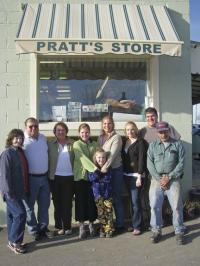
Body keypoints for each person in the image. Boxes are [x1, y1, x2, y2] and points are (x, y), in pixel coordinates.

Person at [147, 122, 185, 245]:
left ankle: (179, 230)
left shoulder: (177, 144)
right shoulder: (152, 146)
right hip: (156, 179)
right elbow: (150, 164)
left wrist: (169, 177)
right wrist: (159, 178)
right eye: (160, 132)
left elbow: (181, 163)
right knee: (154, 206)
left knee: (177, 207)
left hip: (173, 178)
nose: (163, 134)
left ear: (168, 130)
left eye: (165, 131)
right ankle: (156, 230)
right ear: (157, 132)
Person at [0, 129, 29, 254]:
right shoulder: (7, 153)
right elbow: (4, 174)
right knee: (21, 214)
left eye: (21, 138)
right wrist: (8, 192)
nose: (18, 140)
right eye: (16, 138)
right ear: (11, 139)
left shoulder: (19, 152)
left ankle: (11, 241)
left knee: (12, 216)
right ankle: (15, 242)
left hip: (18, 191)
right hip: (10, 192)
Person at [23, 117, 50, 240]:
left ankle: (43, 228)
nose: (33, 128)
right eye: (30, 126)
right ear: (26, 127)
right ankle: (34, 231)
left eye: (36, 126)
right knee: (29, 206)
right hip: (31, 179)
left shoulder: (43, 138)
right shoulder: (22, 140)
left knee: (44, 205)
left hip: (44, 178)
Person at [98, 115, 125, 233]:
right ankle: (109, 223)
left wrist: (102, 169)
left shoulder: (117, 137)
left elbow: (112, 156)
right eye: (104, 123)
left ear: (113, 124)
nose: (106, 126)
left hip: (115, 170)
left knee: (117, 197)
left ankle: (120, 224)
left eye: (109, 123)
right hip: (105, 171)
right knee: (107, 198)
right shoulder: (100, 137)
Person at [48, 122, 74, 236]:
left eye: (63, 130)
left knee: (67, 203)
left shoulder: (73, 143)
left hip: (69, 177)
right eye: (58, 130)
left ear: (66, 131)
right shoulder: (50, 144)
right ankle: (59, 227)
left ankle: (67, 227)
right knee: (57, 203)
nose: (61, 132)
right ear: (55, 132)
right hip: (55, 178)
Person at [122, 121, 148, 236]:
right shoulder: (125, 142)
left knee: (136, 202)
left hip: (136, 176)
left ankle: (138, 226)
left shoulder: (140, 142)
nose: (130, 132)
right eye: (127, 130)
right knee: (132, 202)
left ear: (136, 130)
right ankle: (134, 223)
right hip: (126, 175)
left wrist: (139, 176)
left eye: (132, 129)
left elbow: (142, 159)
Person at [73, 123, 98, 239]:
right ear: (79, 133)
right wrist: (95, 169)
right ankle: (82, 226)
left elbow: (99, 156)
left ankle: (92, 224)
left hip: (93, 178)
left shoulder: (95, 144)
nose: (85, 134)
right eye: (82, 132)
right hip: (80, 177)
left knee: (91, 201)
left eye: (86, 132)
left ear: (90, 132)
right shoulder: (76, 144)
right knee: (81, 201)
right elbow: (82, 158)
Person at [88, 148, 114, 238]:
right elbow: (91, 178)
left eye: (103, 157)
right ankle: (102, 229)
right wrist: (100, 172)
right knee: (101, 213)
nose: (101, 159)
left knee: (108, 212)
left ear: (106, 159)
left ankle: (109, 230)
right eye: (99, 157)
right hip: (98, 194)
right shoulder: (93, 168)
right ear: (95, 158)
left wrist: (100, 175)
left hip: (107, 194)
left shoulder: (109, 168)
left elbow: (108, 179)